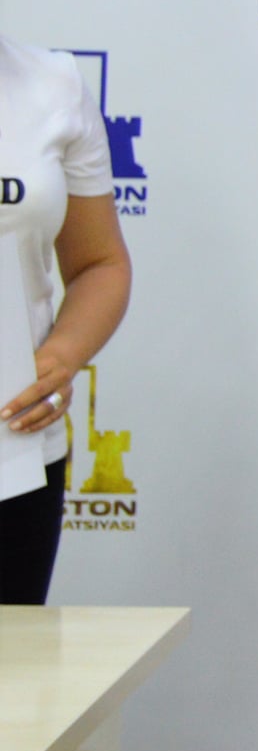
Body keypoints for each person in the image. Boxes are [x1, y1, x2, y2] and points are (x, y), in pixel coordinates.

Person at [0, 36, 132, 605]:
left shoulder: (53, 84)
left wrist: (58, 358)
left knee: (12, 662)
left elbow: (100, 264)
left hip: (12, 453)